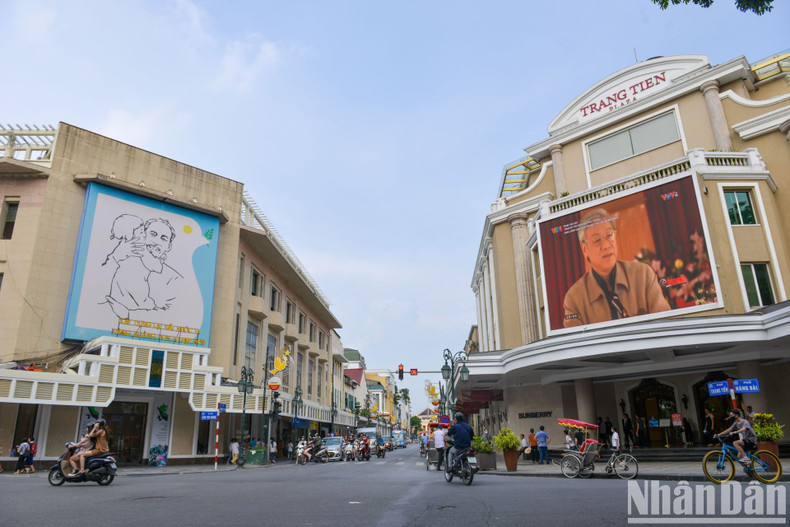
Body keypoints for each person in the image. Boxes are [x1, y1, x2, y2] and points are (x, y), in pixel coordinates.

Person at [563, 208, 671, 328]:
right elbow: (577, 344)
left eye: (609, 235)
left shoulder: (643, 275)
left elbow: (665, 324)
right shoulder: (574, 298)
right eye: (597, 240)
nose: (606, 245)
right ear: (585, 250)